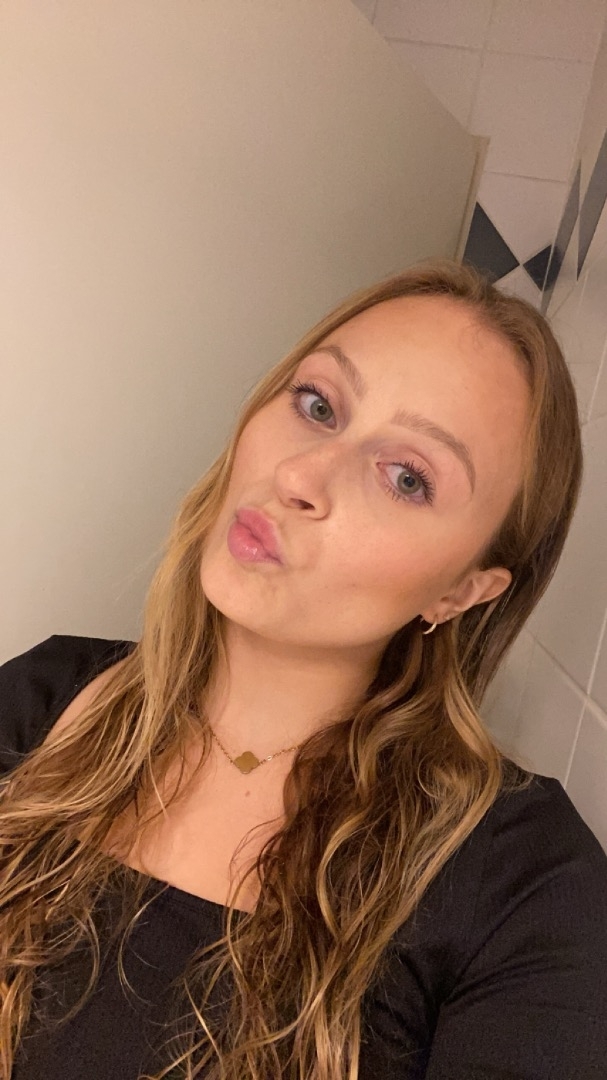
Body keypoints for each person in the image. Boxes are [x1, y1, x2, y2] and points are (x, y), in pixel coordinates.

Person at [1, 258, 606, 1080]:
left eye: (406, 478)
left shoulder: (527, 888)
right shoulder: (42, 698)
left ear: (462, 591)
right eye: (318, 405)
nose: (297, 476)